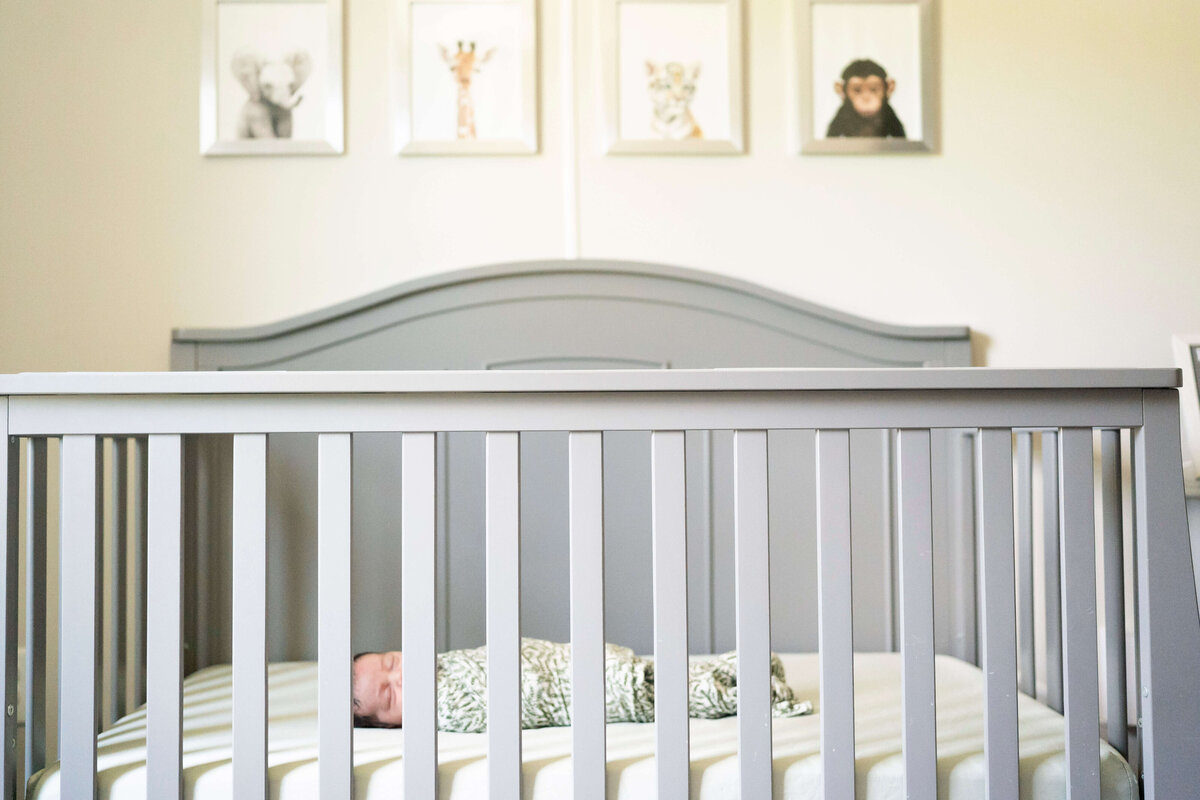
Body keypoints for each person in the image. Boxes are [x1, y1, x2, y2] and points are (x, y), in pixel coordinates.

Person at [352, 637, 812, 732]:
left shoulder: (442, 661)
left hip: (574, 661)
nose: (400, 676)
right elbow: (495, 702)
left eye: (392, 662)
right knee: (671, 695)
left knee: (662, 674)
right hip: (586, 695)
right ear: (392, 725)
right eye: (389, 696)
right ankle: (743, 689)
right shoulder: (448, 711)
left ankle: (739, 669)